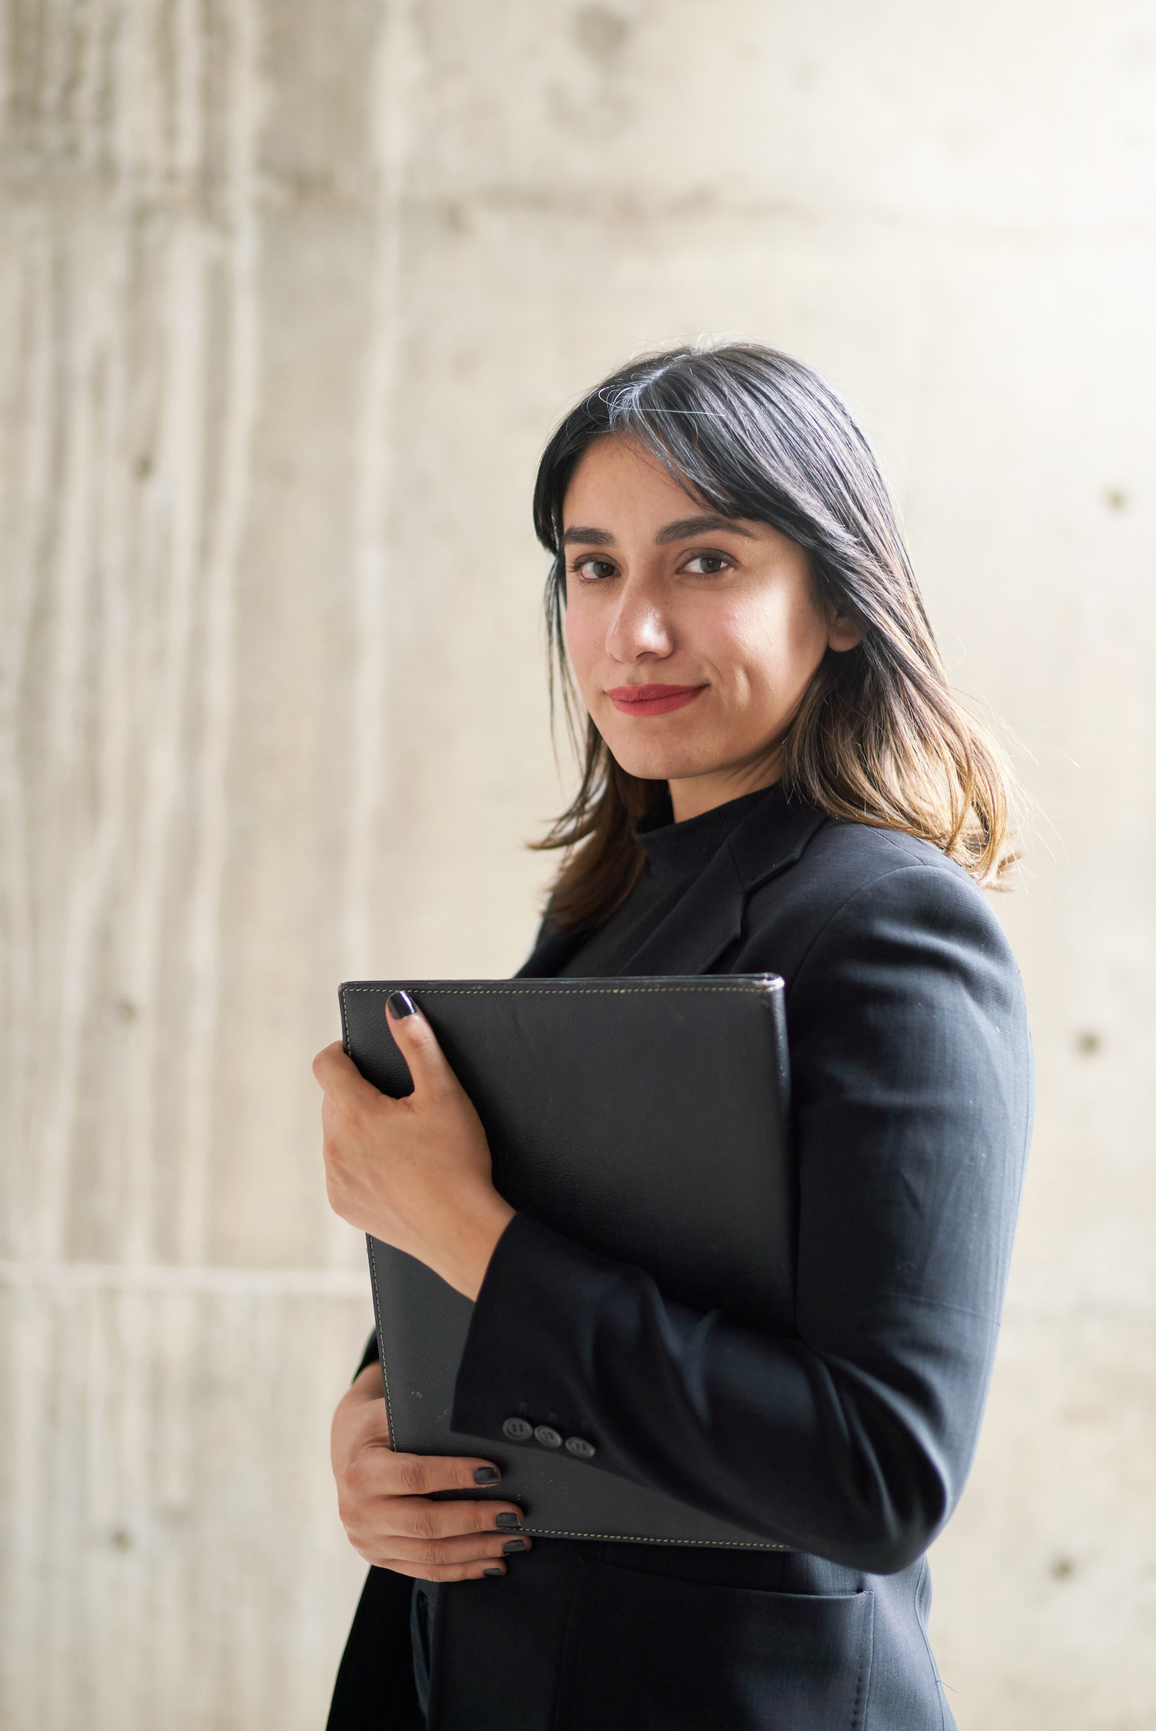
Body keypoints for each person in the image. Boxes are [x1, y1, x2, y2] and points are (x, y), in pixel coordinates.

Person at [313, 344, 1034, 1731]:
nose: (632, 629)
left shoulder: (894, 929)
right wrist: (375, 1429)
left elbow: (879, 1472)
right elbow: (534, 1264)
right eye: (594, 567)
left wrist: (467, 1234)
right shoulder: (612, 905)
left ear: (837, 603)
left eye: (704, 565)